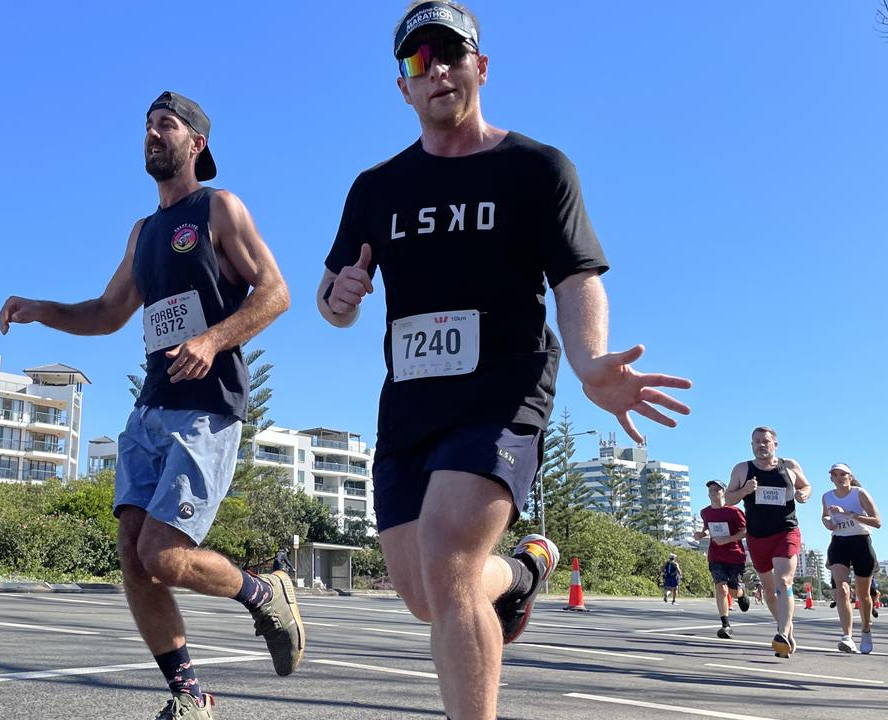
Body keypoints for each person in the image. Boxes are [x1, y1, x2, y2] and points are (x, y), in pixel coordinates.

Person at [315, 3, 692, 717]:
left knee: (450, 563)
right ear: (404, 87)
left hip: (502, 392)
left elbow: (578, 277)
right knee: (425, 594)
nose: (437, 72)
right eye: (418, 62)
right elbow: (332, 301)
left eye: (451, 55)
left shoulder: (537, 168)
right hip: (409, 409)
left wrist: (588, 361)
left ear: (480, 68)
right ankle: (521, 575)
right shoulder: (376, 189)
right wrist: (341, 297)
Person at [0, 91, 300, 719]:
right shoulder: (143, 232)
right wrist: (41, 311)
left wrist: (214, 339)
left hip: (206, 408)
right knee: (135, 560)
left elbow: (275, 293)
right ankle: (190, 698)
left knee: (164, 554)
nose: (152, 134)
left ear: (197, 143)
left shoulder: (219, 208)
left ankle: (264, 592)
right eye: (146, 126)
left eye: (166, 125)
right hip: (149, 410)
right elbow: (109, 314)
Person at [724, 426, 812, 658]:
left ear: (775, 444)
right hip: (758, 535)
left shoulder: (790, 466)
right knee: (770, 591)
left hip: (786, 530)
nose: (761, 445)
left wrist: (804, 494)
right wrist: (744, 490)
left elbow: (806, 486)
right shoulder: (742, 469)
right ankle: (786, 630)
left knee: (784, 579)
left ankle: (782, 632)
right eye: (756, 442)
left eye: (765, 441)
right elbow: (727, 499)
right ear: (751, 445)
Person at [822, 462, 881, 653]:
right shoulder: (827, 497)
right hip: (839, 543)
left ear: (850, 476)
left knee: (863, 595)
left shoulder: (859, 493)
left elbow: (877, 521)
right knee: (842, 590)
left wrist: (848, 514)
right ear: (831, 478)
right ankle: (847, 637)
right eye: (835, 475)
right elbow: (825, 517)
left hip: (861, 542)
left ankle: (865, 630)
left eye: (843, 474)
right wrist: (827, 522)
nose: (839, 478)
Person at [693, 480, 750, 637]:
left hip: (735, 555)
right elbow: (707, 528)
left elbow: (745, 531)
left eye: (717, 489)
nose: (713, 492)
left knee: (732, 591)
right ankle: (725, 625)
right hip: (716, 555)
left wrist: (728, 539)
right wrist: (701, 534)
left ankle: (742, 593)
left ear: (723, 492)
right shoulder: (705, 512)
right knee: (721, 588)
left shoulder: (734, 511)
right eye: (711, 489)